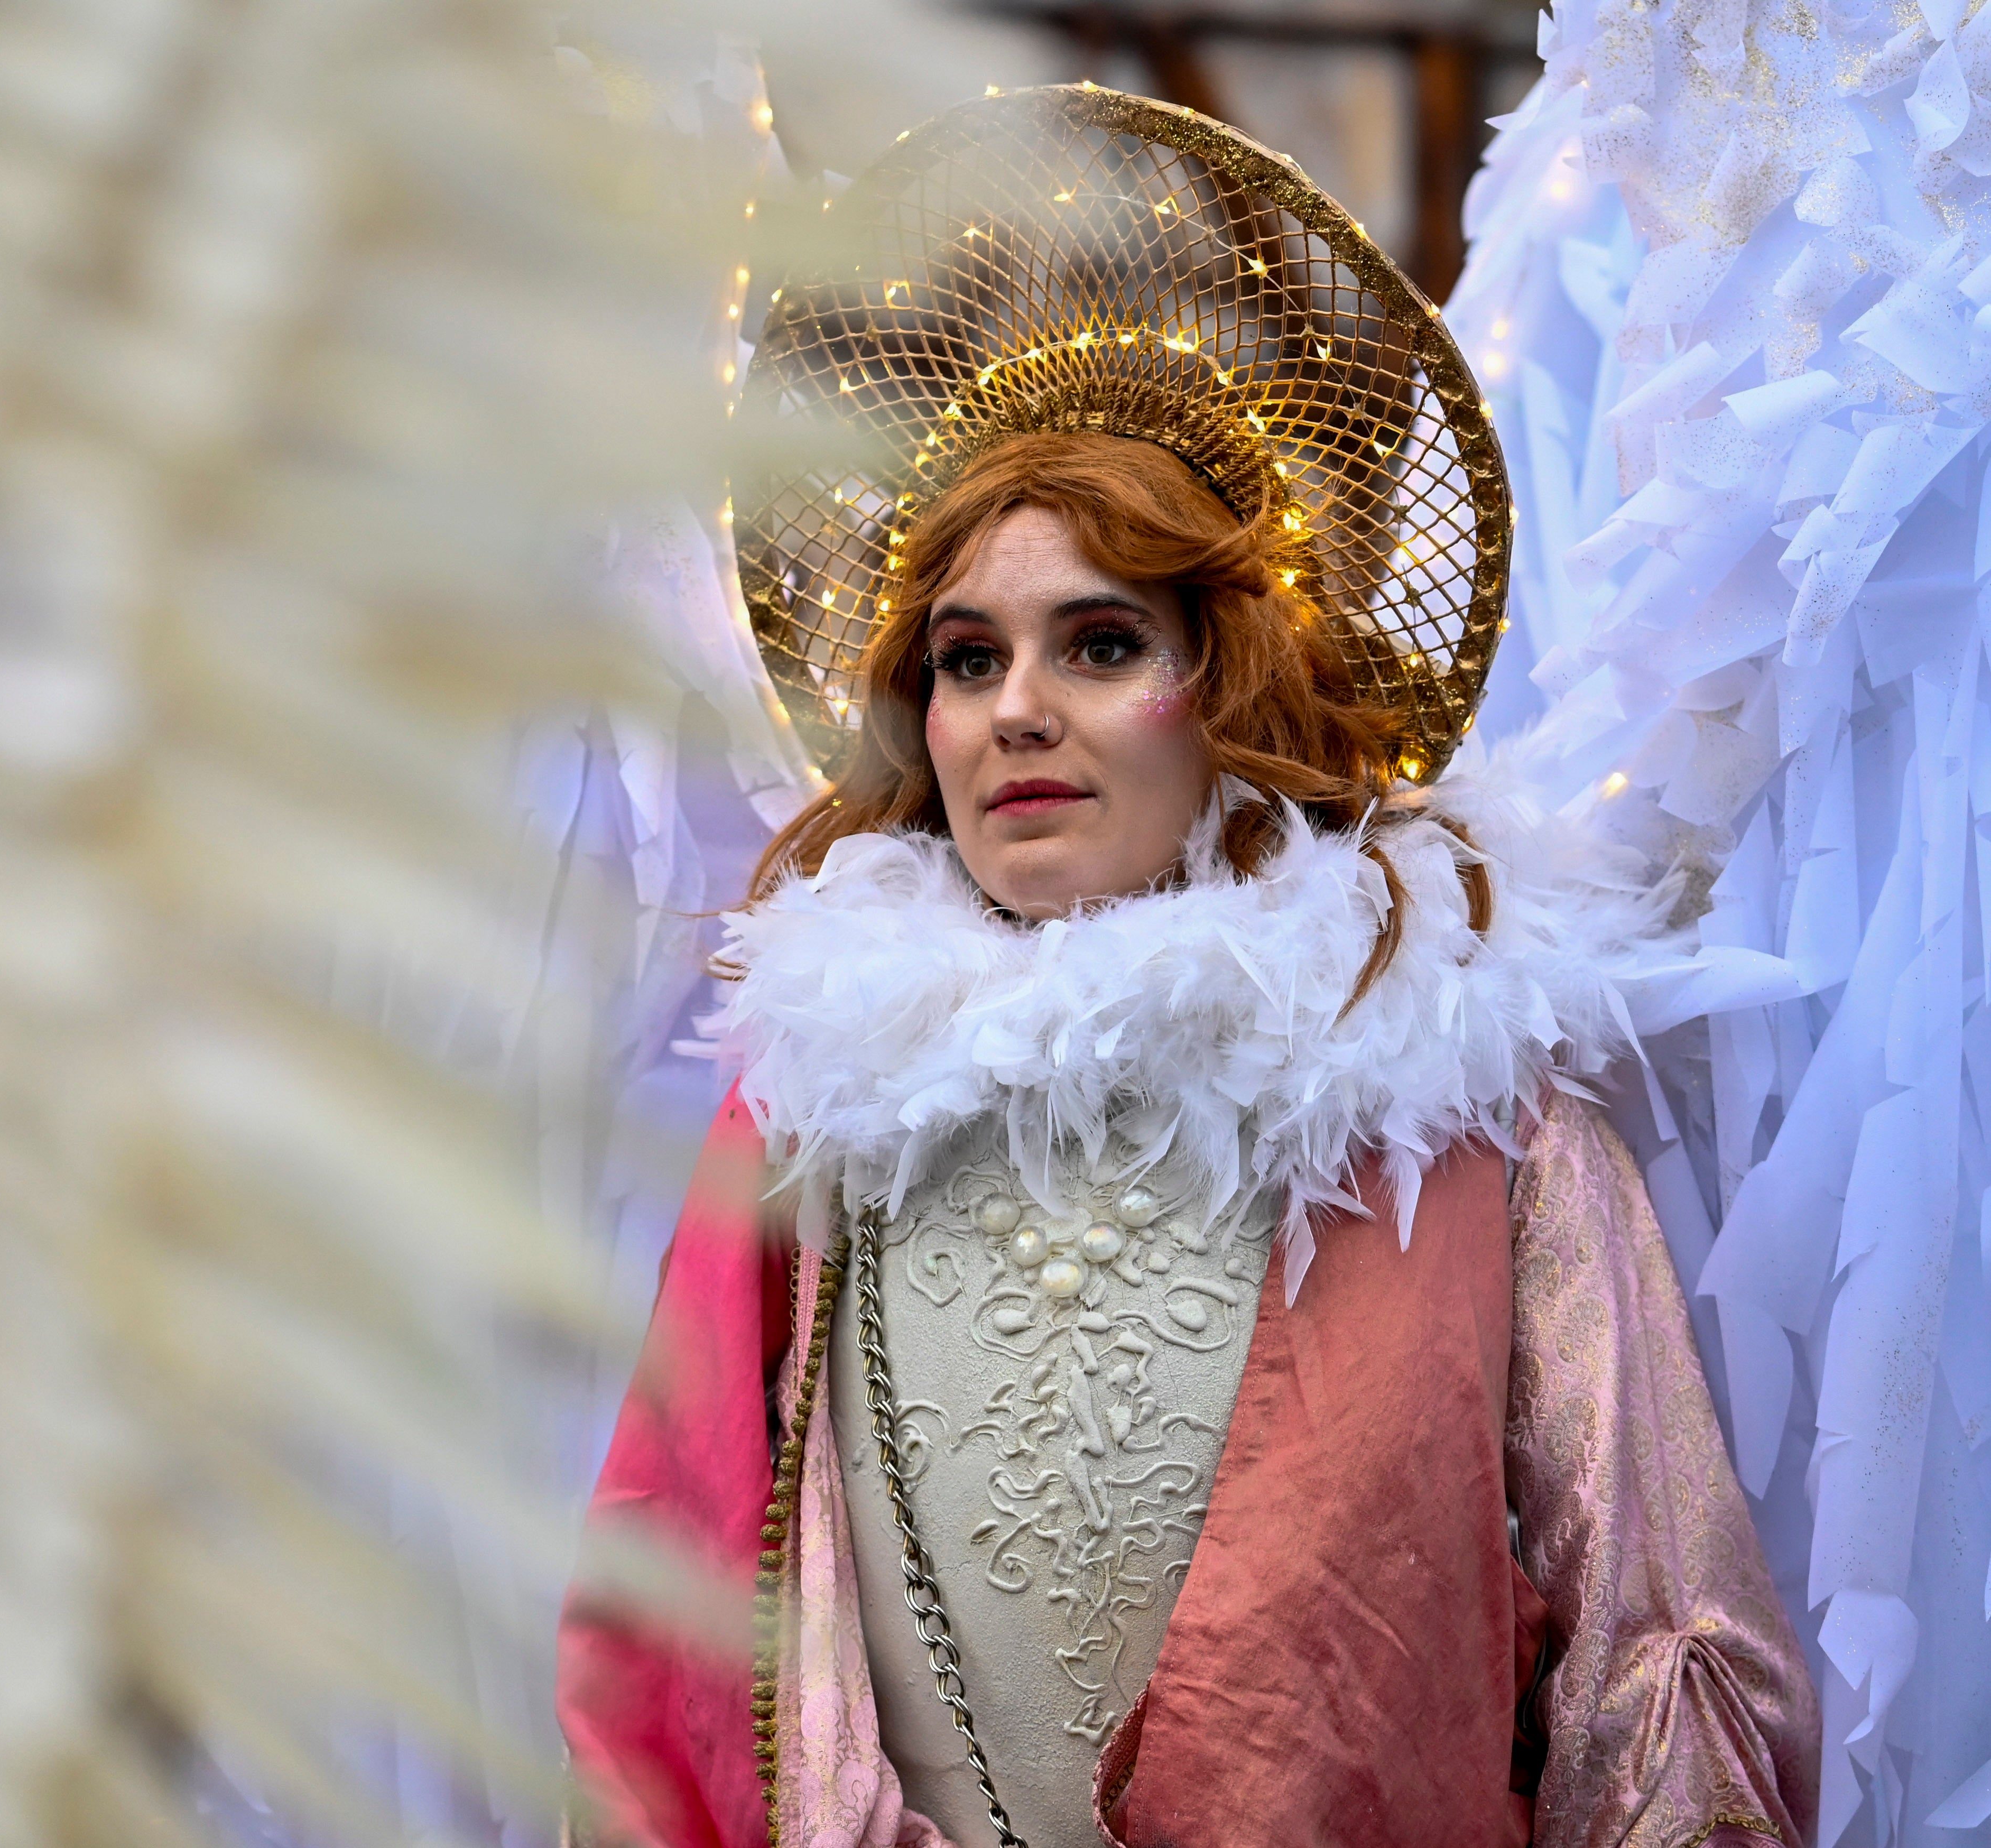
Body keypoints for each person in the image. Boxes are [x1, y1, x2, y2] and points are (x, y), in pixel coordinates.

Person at [556, 85, 1816, 1848]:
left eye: (1097, 643)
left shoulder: (1478, 1127)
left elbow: (1657, 1648)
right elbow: (661, 1641)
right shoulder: (808, 1116)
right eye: (966, 658)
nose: (1016, 710)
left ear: (1226, 686)